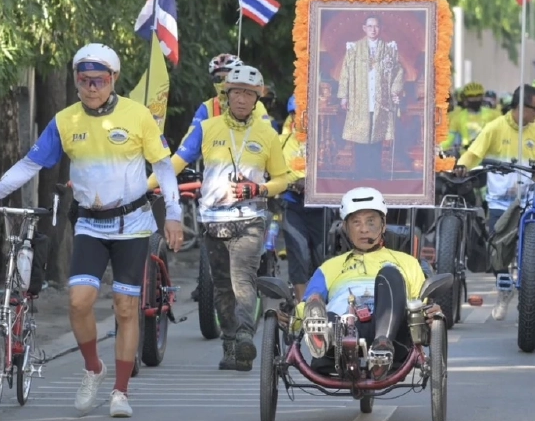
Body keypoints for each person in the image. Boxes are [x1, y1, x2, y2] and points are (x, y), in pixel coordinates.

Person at [0, 44, 183, 419]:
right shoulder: (65, 121)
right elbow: (29, 164)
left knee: (125, 307)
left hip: (133, 225)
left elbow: (164, 167)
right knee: (78, 302)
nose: (91, 88)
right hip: (89, 222)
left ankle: (120, 391)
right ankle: (93, 369)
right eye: (84, 80)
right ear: (75, 80)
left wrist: (174, 214)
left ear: (113, 79)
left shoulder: (138, 117)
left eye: (99, 80)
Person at [171, 63, 292, 371]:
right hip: (213, 219)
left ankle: (244, 335)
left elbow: (283, 178)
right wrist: (140, 186)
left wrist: (259, 188)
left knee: (243, 280)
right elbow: (174, 163)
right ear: (226, 96)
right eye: (236, 92)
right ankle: (230, 345)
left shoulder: (267, 133)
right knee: (222, 286)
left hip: (250, 219)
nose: (241, 99)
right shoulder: (206, 128)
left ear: (257, 99)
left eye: (248, 94)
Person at [299, 187, 427, 378]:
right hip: (342, 326)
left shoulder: (406, 262)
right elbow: (305, 304)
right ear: (345, 227)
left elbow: (421, 301)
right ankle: (324, 335)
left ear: (383, 225)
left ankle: (381, 347)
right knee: (319, 303)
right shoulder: (330, 266)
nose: (364, 229)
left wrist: (429, 311)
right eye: (356, 222)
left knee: (390, 274)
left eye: (371, 222)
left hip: (388, 326)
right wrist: (295, 318)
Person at [455, 85, 535, 320]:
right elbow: (474, 152)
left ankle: (531, 290)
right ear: (521, 107)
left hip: (529, 202)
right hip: (499, 202)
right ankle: (503, 288)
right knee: (497, 250)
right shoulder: (494, 127)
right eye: (534, 110)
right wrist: (461, 165)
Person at [338, 15, 405, 179]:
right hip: (360, 99)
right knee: (361, 138)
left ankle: (375, 174)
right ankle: (361, 174)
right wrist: (344, 96)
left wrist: (395, 91)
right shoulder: (354, 49)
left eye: (376, 26)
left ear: (380, 28)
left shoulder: (389, 49)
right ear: (364, 28)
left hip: (380, 100)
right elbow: (345, 73)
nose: (373, 29)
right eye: (369, 26)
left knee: (377, 137)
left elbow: (398, 71)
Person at [279, 96, 325, 299]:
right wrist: (293, 183)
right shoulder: (282, 141)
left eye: (305, 114)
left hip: (323, 209)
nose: (300, 119)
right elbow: (274, 170)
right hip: (293, 205)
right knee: (299, 256)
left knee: (323, 260)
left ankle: (323, 305)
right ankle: (302, 309)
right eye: (295, 114)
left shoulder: (326, 139)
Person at [182, 53, 270, 140]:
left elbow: (266, 137)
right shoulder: (207, 107)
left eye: (228, 77)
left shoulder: (256, 106)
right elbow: (191, 140)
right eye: (218, 79)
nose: (223, 83)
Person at [443, 81, 498, 153]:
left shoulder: (493, 115)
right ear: (465, 99)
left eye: (478, 96)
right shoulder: (457, 118)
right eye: (471, 96)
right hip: (465, 158)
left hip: (489, 158)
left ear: (482, 97)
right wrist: (439, 148)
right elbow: (449, 139)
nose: (475, 99)